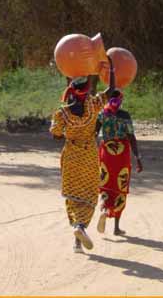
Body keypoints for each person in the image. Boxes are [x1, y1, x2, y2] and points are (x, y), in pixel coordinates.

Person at [50, 60, 115, 253]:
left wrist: (67, 132)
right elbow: (111, 91)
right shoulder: (93, 105)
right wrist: (110, 69)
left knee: (72, 196)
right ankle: (80, 228)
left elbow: (55, 135)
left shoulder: (62, 113)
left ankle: (77, 237)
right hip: (88, 156)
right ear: (87, 91)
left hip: (71, 156)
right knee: (88, 195)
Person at [95, 89, 143, 235]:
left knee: (106, 182)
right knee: (120, 187)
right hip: (122, 154)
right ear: (121, 100)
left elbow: (94, 134)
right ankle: (116, 227)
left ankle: (104, 208)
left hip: (106, 153)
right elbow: (131, 137)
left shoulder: (102, 114)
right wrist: (138, 158)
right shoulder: (125, 115)